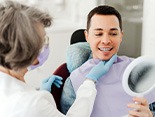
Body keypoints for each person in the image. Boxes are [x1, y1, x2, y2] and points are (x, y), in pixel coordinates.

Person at [0, 1, 117, 117]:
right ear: (27, 51)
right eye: (43, 41)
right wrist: (90, 81)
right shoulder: (32, 104)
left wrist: (44, 93)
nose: (106, 41)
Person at [61, 5, 155, 117]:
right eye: (98, 34)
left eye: (113, 34)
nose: (105, 40)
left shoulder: (139, 70)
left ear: (121, 36)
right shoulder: (74, 81)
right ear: (87, 36)